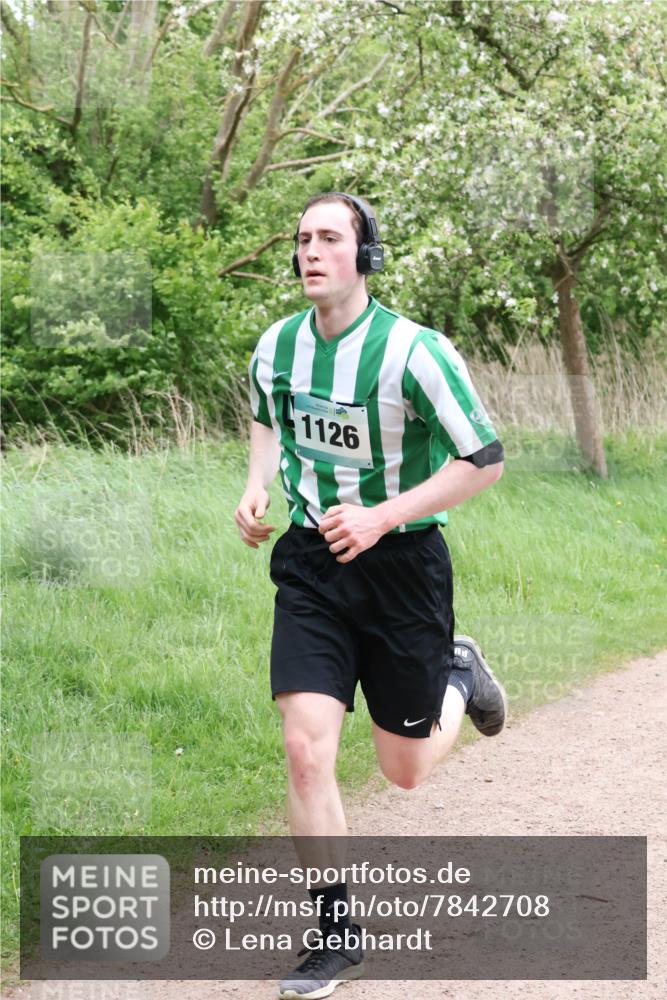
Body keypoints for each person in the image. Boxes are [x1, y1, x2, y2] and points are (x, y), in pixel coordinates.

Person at [234, 192, 507, 1000]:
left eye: (329, 238)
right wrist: (255, 489)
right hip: (312, 567)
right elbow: (264, 414)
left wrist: (385, 515)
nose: (311, 251)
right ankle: (333, 934)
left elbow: (483, 459)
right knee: (304, 746)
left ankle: (458, 673)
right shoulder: (277, 345)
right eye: (302, 239)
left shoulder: (413, 352)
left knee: (405, 771)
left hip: (402, 571)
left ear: (364, 254)